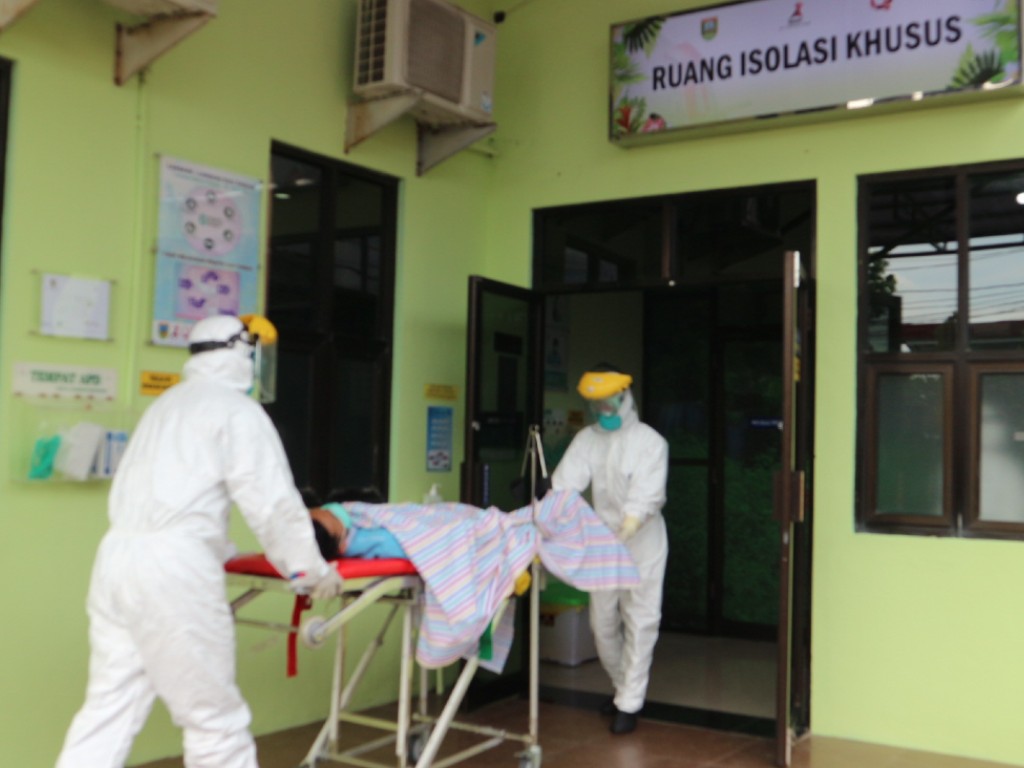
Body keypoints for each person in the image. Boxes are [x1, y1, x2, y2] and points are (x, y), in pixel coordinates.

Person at [56, 314, 344, 768]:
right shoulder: (237, 412)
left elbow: (172, 496)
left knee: (107, 709)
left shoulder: (166, 406)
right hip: (173, 572)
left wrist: (219, 550)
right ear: (244, 353)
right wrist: (310, 570)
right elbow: (273, 505)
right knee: (214, 719)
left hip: (117, 562)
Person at [550, 366, 668, 736]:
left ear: (624, 396)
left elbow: (647, 494)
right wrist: (548, 508)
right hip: (603, 543)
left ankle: (630, 703)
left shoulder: (651, 442)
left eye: (608, 402)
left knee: (640, 621)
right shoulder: (587, 440)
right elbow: (565, 485)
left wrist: (631, 523)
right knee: (601, 625)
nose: (603, 410)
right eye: (596, 404)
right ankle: (622, 688)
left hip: (643, 542)